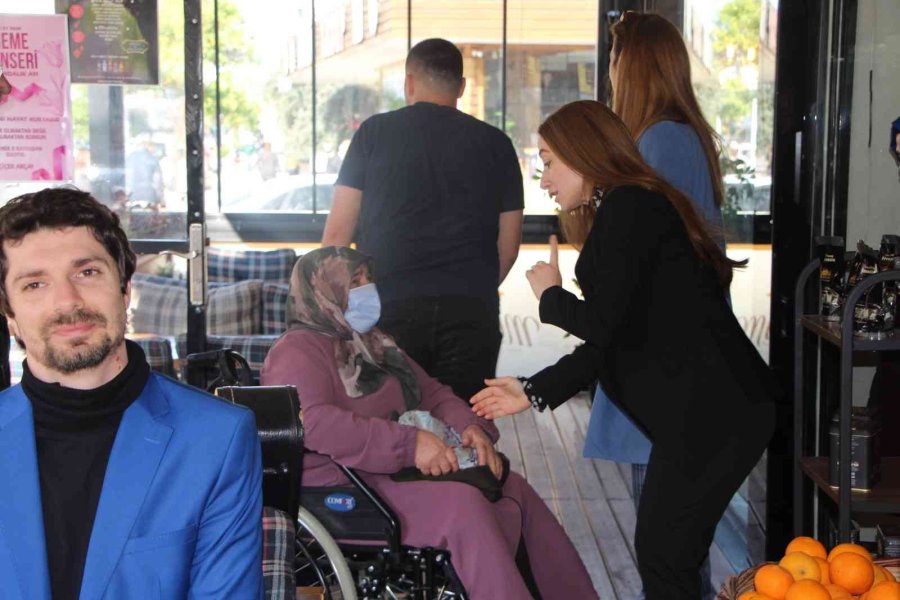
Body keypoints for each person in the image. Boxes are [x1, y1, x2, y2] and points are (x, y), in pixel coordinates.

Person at [470, 101, 778, 600]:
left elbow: (602, 326)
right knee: (667, 555)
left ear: (582, 152)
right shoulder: (630, 205)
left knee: (664, 555)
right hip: (711, 415)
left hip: (714, 414)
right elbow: (612, 341)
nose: (544, 181)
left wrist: (550, 297)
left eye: (548, 162)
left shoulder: (630, 207)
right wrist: (533, 390)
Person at [261, 246, 597, 600]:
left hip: (393, 474)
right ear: (323, 289)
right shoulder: (296, 350)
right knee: (463, 507)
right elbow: (311, 422)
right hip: (344, 486)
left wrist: (471, 429)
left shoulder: (374, 342)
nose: (366, 290)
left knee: (512, 487)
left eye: (368, 279)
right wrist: (410, 445)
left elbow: (433, 394)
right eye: (354, 281)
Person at [0, 187, 263, 599]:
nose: (67, 301)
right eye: (35, 284)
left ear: (125, 289)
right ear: (10, 315)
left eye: (87, 272)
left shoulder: (216, 439)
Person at [598, 11, 735, 597]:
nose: (609, 72)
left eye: (614, 60)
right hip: (680, 370)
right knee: (675, 547)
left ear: (631, 67)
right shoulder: (680, 138)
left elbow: (647, 266)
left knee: (667, 550)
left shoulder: (660, 142)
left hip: (668, 376)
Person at [322, 38, 524, 402]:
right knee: (464, 424)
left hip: (388, 310)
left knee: (394, 424)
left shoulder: (373, 134)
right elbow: (508, 248)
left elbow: (337, 235)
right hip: (471, 313)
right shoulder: (497, 144)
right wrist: (473, 288)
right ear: (461, 87)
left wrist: (338, 309)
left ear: (409, 82)